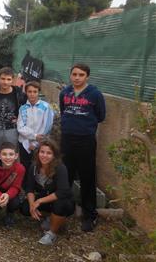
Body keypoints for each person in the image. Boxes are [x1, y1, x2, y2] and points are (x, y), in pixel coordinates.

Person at [60, 63, 105, 232]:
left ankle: (89, 215)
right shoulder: (65, 93)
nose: (77, 77)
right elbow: (64, 111)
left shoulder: (95, 94)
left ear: (87, 77)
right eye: (74, 74)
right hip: (67, 139)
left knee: (87, 177)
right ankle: (63, 209)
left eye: (81, 75)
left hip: (86, 140)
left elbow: (101, 116)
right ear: (70, 75)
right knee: (66, 175)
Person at [21, 140, 75, 245]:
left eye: (49, 153)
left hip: (62, 201)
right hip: (46, 198)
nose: (44, 155)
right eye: (42, 152)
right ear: (38, 153)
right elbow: (29, 188)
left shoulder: (60, 168)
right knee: (25, 208)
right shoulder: (34, 167)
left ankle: (52, 233)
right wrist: (32, 205)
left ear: (54, 155)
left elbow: (63, 192)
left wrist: (39, 201)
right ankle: (51, 219)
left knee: (60, 205)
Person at [0, 67, 27, 158]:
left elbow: (26, 109)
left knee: (11, 155)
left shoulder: (18, 93)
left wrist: (20, 119)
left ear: (13, 80)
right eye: (3, 79)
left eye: (8, 79)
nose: (5, 82)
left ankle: (11, 172)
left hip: (12, 129)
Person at [0, 142, 25, 227]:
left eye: (11, 154)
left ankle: (10, 213)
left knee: (16, 202)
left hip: (10, 191)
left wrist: (7, 195)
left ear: (16, 156)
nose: (8, 157)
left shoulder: (20, 169)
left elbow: (16, 187)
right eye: (4, 154)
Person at [17, 81, 54, 174]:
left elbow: (47, 126)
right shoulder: (23, 108)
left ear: (38, 92)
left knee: (38, 166)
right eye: (30, 91)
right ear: (26, 92)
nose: (32, 94)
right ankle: (25, 186)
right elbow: (20, 127)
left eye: (35, 91)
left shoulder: (46, 107)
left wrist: (35, 142)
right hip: (24, 143)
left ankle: (36, 186)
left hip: (40, 143)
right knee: (25, 165)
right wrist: (34, 136)